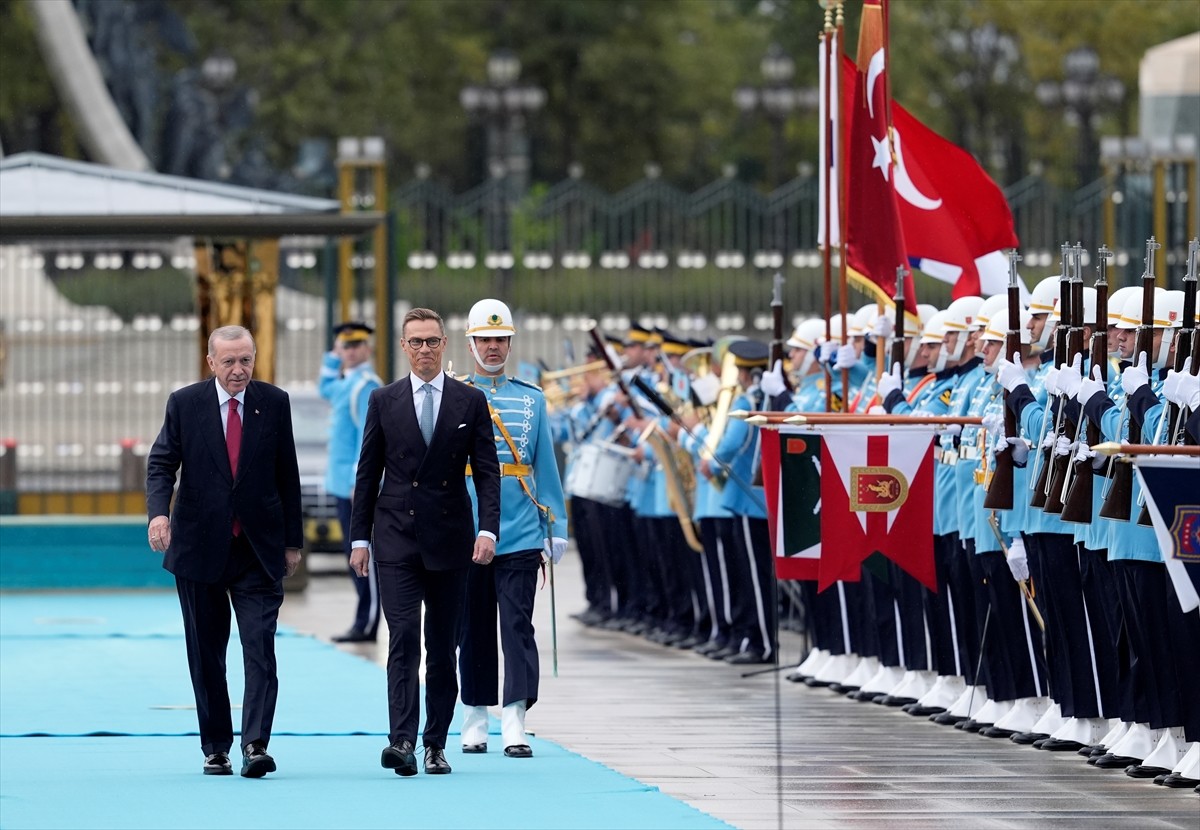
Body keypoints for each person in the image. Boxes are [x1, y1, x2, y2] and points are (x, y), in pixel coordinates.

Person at [146, 325, 303, 779]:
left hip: (258, 549)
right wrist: (159, 514)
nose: (239, 370)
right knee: (206, 653)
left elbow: (286, 473)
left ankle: (255, 744)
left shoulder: (274, 402)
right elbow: (161, 463)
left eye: (246, 360)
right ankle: (216, 746)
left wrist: (292, 542)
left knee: (260, 649)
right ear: (211, 362)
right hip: (199, 549)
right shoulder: (185, 403)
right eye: (229, 362)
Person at [349, 307, 501, 777]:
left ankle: (435, 741)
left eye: (432, 341)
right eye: (415, 342)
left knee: (441, 645)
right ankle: (402, 741)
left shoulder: (468, 402)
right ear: (403, 346)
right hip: (395, 536)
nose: (424, 350)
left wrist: (488, 529)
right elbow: (367, 472)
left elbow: (489, 471)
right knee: (402, 640)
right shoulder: (383, 399)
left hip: (450, 538)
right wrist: (359, 538)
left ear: (445, 344)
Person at [457, 299, 568, 758]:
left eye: (501, 340)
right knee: (472, 625)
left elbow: (545, 463)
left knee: (517, 624)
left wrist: (555, 523)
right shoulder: (457, 393)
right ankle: (475, 715)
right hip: (468, 523)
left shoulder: (532, 398)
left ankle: (516, 716)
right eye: (485, 339)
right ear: (471, 343)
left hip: (520, 524)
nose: (494, 347)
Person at [318, 321, 383, 643]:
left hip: (355, 484)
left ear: (367, 348)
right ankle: (363, 620)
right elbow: (324, 387)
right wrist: (333, 355)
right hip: (342, 483)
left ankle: (367, 623)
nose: (351, 350)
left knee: (362, 552)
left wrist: (363, 482)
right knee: (352, 552)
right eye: (346, 345)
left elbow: (367, 439)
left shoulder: (366, 385)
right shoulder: (348, 383)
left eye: (357, 345)